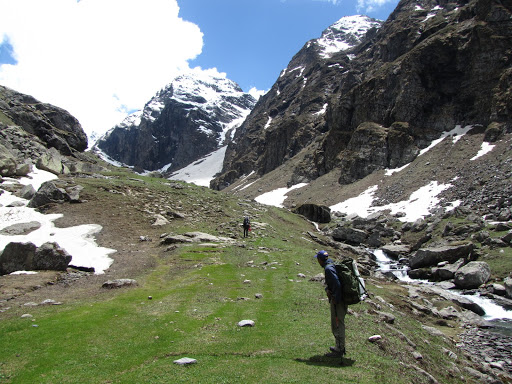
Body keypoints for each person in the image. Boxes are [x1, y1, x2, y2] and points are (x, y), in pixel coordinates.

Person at [315, 250, 347, 360]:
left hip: (338, 301)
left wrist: (336, 299)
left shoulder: (328, 269)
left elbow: (337, 284)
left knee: (337, 323)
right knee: (338, 323)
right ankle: (339, 346)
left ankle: (339, 349)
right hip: (341, 298)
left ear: (319, 260)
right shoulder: (331, 263)